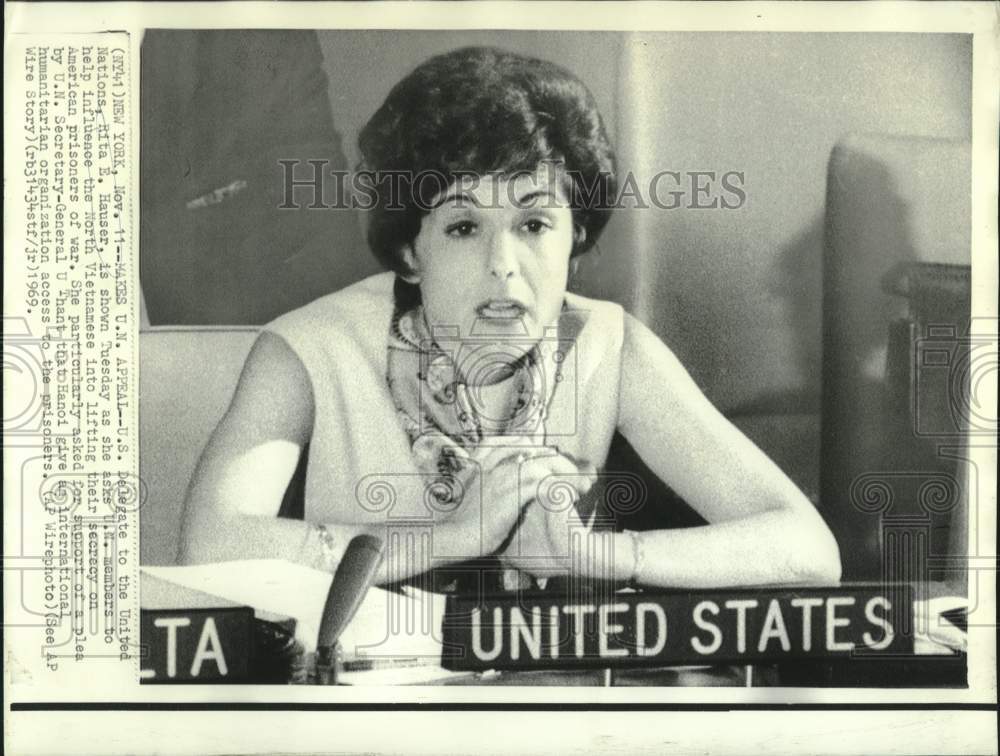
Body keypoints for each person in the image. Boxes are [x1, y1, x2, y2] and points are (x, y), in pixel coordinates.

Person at [179, 46, 841, 592]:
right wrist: (450, 538)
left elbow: (806, 546)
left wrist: (603, 556)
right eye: (464, 226)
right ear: (411, 249)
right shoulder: (306, 349)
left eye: (533, 223)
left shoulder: (612, 347)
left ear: (575, 240)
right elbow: (209, 548)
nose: (504, 264)